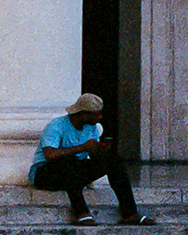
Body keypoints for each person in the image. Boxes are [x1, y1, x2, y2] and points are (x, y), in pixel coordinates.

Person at [30, 93, 156, 227]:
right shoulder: (56, 126)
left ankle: (130, 213)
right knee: (68, 160)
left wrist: (102, 151)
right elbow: (50, 155)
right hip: (45, 175)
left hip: (73, 174)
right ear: (83, 114)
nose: (100, 117)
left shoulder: (92, 128)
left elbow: (93, 156)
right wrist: (83, 147)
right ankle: (81, 212)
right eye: (96, 114)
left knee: (114, 161)